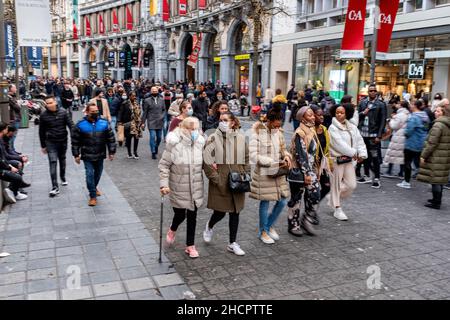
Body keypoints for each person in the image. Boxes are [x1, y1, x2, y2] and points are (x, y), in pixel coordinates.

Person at [203, 112, 250, 256]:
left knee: (236, 212)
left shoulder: (241, 138)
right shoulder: (212, 139)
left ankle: (232, 243)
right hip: (221, 182)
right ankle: (209, 226)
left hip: (238, 181)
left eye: (225, 120)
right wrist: (216, 179)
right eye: (220, 120)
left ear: (233, 122)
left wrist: (246, 173)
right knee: (220, 212)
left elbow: (247, 158)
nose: (222, 122)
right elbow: (207, 162)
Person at [159, 117, 205, 259]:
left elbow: (206, 163)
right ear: (183, 128)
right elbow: (164, 165)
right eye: (190, 129)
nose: (193, 132)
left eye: (196, 129)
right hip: (178, 186)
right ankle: (173, 229)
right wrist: (164, 185)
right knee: (180, 214)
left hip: (196, 187)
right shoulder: (174, 144)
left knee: (193, 216)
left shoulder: (200, 143)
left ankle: (190, 246)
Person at [250, 109, 292, 244]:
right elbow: (253, 155)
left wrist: (286, 155)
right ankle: (263, 232)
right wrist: (270, 162)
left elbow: (283, 149)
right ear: (268, 121)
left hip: (278, 172)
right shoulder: (257, 133)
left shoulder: (278, 133)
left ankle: (268, 225)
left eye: (279, 126)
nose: (277, 128)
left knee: (283, 200)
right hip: (265, 173)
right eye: (275, 125)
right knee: (265, 201)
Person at [72, 102, 116, 207]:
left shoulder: (104, 123)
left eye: (97, 111)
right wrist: (76, 154)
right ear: (87, 112)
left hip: (100, 153)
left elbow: (111, 138)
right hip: (87, 154)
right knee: (89, 174)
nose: (95, 113)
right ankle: (92, 196)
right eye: (93, 112)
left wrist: (112, 152)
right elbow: (75, 141)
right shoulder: (80, 124)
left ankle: (94, 187)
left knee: (98, 173)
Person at [328, 103, 367, 221]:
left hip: (350, 160)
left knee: (351, 185)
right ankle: (337, 208)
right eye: (337, 113)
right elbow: (339, 144)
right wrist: (354, 153)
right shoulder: (332, 128)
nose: (339, 115)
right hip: (336, 160)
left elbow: (359, 141)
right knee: (335, 184)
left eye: (342, 113)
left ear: (347, 114)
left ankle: (332, 198)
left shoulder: (352, 127)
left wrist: (363, 154)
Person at [287, 107, 321, 237]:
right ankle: (293, 225)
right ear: (302, 118)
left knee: (315, 194)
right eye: (310, 115)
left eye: (313, 115)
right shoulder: (299, 133)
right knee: (296, 198)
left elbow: (314, 154)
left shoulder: (311, 131)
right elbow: (301, 155)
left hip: (310, 169)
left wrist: (316, 170)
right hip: (299, 171)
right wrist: (307, 174)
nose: (313, 117)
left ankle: (306, 219)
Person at [417, 99, 450, 209]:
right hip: (444, 156)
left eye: (438, 111)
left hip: (436, 156)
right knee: (439, 179)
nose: (435, 112)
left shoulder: (438, 125)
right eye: (435, 111)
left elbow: (431, 143)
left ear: (443, 113)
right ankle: (436, 199)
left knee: (435, 180)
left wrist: (424, 155)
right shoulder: (447, 124)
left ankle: (436, 202)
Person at [39, 96, 73, 197]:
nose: (48, 105)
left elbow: (71, 125)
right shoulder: (43, 115)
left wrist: (75, 138)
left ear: (55, 102)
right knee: (53, 162)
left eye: (50, 103)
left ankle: (62, 177)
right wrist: (43, 145)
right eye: (47, 103)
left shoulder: (63, 112)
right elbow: (41, 131)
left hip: (63, 140)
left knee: (62, 159)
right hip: (50, 142)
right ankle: (55, 186)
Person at [357, 84, 387, 189]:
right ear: (368, 92)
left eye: (374, 91)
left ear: (377, 92)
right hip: (362, 134)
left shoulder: (381, 104)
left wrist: (379, 135)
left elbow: (383, 120)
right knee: (364, 156)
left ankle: (377, 178)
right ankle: (366, 175)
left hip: (374, 135)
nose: (372, 92)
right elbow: (357, 117)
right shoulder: (363, 102)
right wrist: (362, 113)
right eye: (371, 91)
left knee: (375, 157)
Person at [397, 99, 431, 190]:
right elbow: (427, 128)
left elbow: (408, 131)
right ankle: (430, 181)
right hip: (421, 142)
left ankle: (406, 182)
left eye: (411, 104)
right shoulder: (425, 116)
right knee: (420, 163)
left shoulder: (413, 117)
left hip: (411, 143)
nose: (410, 106)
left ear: (415, 106)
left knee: (407, 163)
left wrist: (405, 133)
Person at [0, 122, 30, 203]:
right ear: (3, 130)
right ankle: (14, 191)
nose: (7, 130)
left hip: (4, 163)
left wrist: (19, 155)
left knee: (18, 172)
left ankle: (15, 189)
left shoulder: (2, 139)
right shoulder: (2, 139)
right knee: (17, 175)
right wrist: (9, 167)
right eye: (6, 128)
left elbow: (6, 154)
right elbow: (4, 157)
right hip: (1, 168)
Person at [311, 106, 332, 206]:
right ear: (312, 116)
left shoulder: (324, 129)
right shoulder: (308, 131)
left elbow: (327, 148)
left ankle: (313, 206)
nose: (322, 117)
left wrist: (329, 164)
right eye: (319, 115)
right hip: (311, 165)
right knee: (311, 190)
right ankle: (310, 209)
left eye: (322, 115)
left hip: (322, 164)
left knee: (327, 186)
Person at [382, 101, 410, 178]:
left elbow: (394, 126)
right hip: (404, 136)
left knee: (392, 154)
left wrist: (391, 120)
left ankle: (389, 171)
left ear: (401, 106)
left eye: (398, 104)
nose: (396, 105)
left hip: (397, 136)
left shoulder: (400, 115)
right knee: (401, 155)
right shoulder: (408, 114)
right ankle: (401, 172)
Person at [142, 86, 165, 160]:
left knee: (159, 138)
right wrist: (143, 122)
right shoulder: (147, 100)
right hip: (151, 121)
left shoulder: (162, 100)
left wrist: (162, 116)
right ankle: (153, 152)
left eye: (156, 91)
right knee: (152, 136)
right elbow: (145, 112)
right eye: (153, 91)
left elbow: (164, 110)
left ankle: (156, 146)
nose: (154, 92)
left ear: (158, 91)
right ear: (151, 92)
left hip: (159, 120)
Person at [118, 91, 143, 160]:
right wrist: (119, 121)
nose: (134, 97)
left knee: (136, 138)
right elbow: (120, 112)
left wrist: (141, 121)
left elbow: (140, 112)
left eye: (135, 96)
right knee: (128, 139)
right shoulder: (125, 103)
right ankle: (129, 152)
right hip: (128, 123)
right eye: (132, 96)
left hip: (136, 123)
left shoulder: (137, 103)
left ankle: (135, 152)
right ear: (129, 96)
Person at [7, 85, 21, 151]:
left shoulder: (12, 96)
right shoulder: (9, 97)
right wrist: (18, 104)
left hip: (15, 118)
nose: (16, 89)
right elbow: (17, 108)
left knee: (13, 136)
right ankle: (11, 150)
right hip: (14, 119)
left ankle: (12, 150)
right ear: (11, 89)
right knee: (12, 136)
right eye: (15, 88)